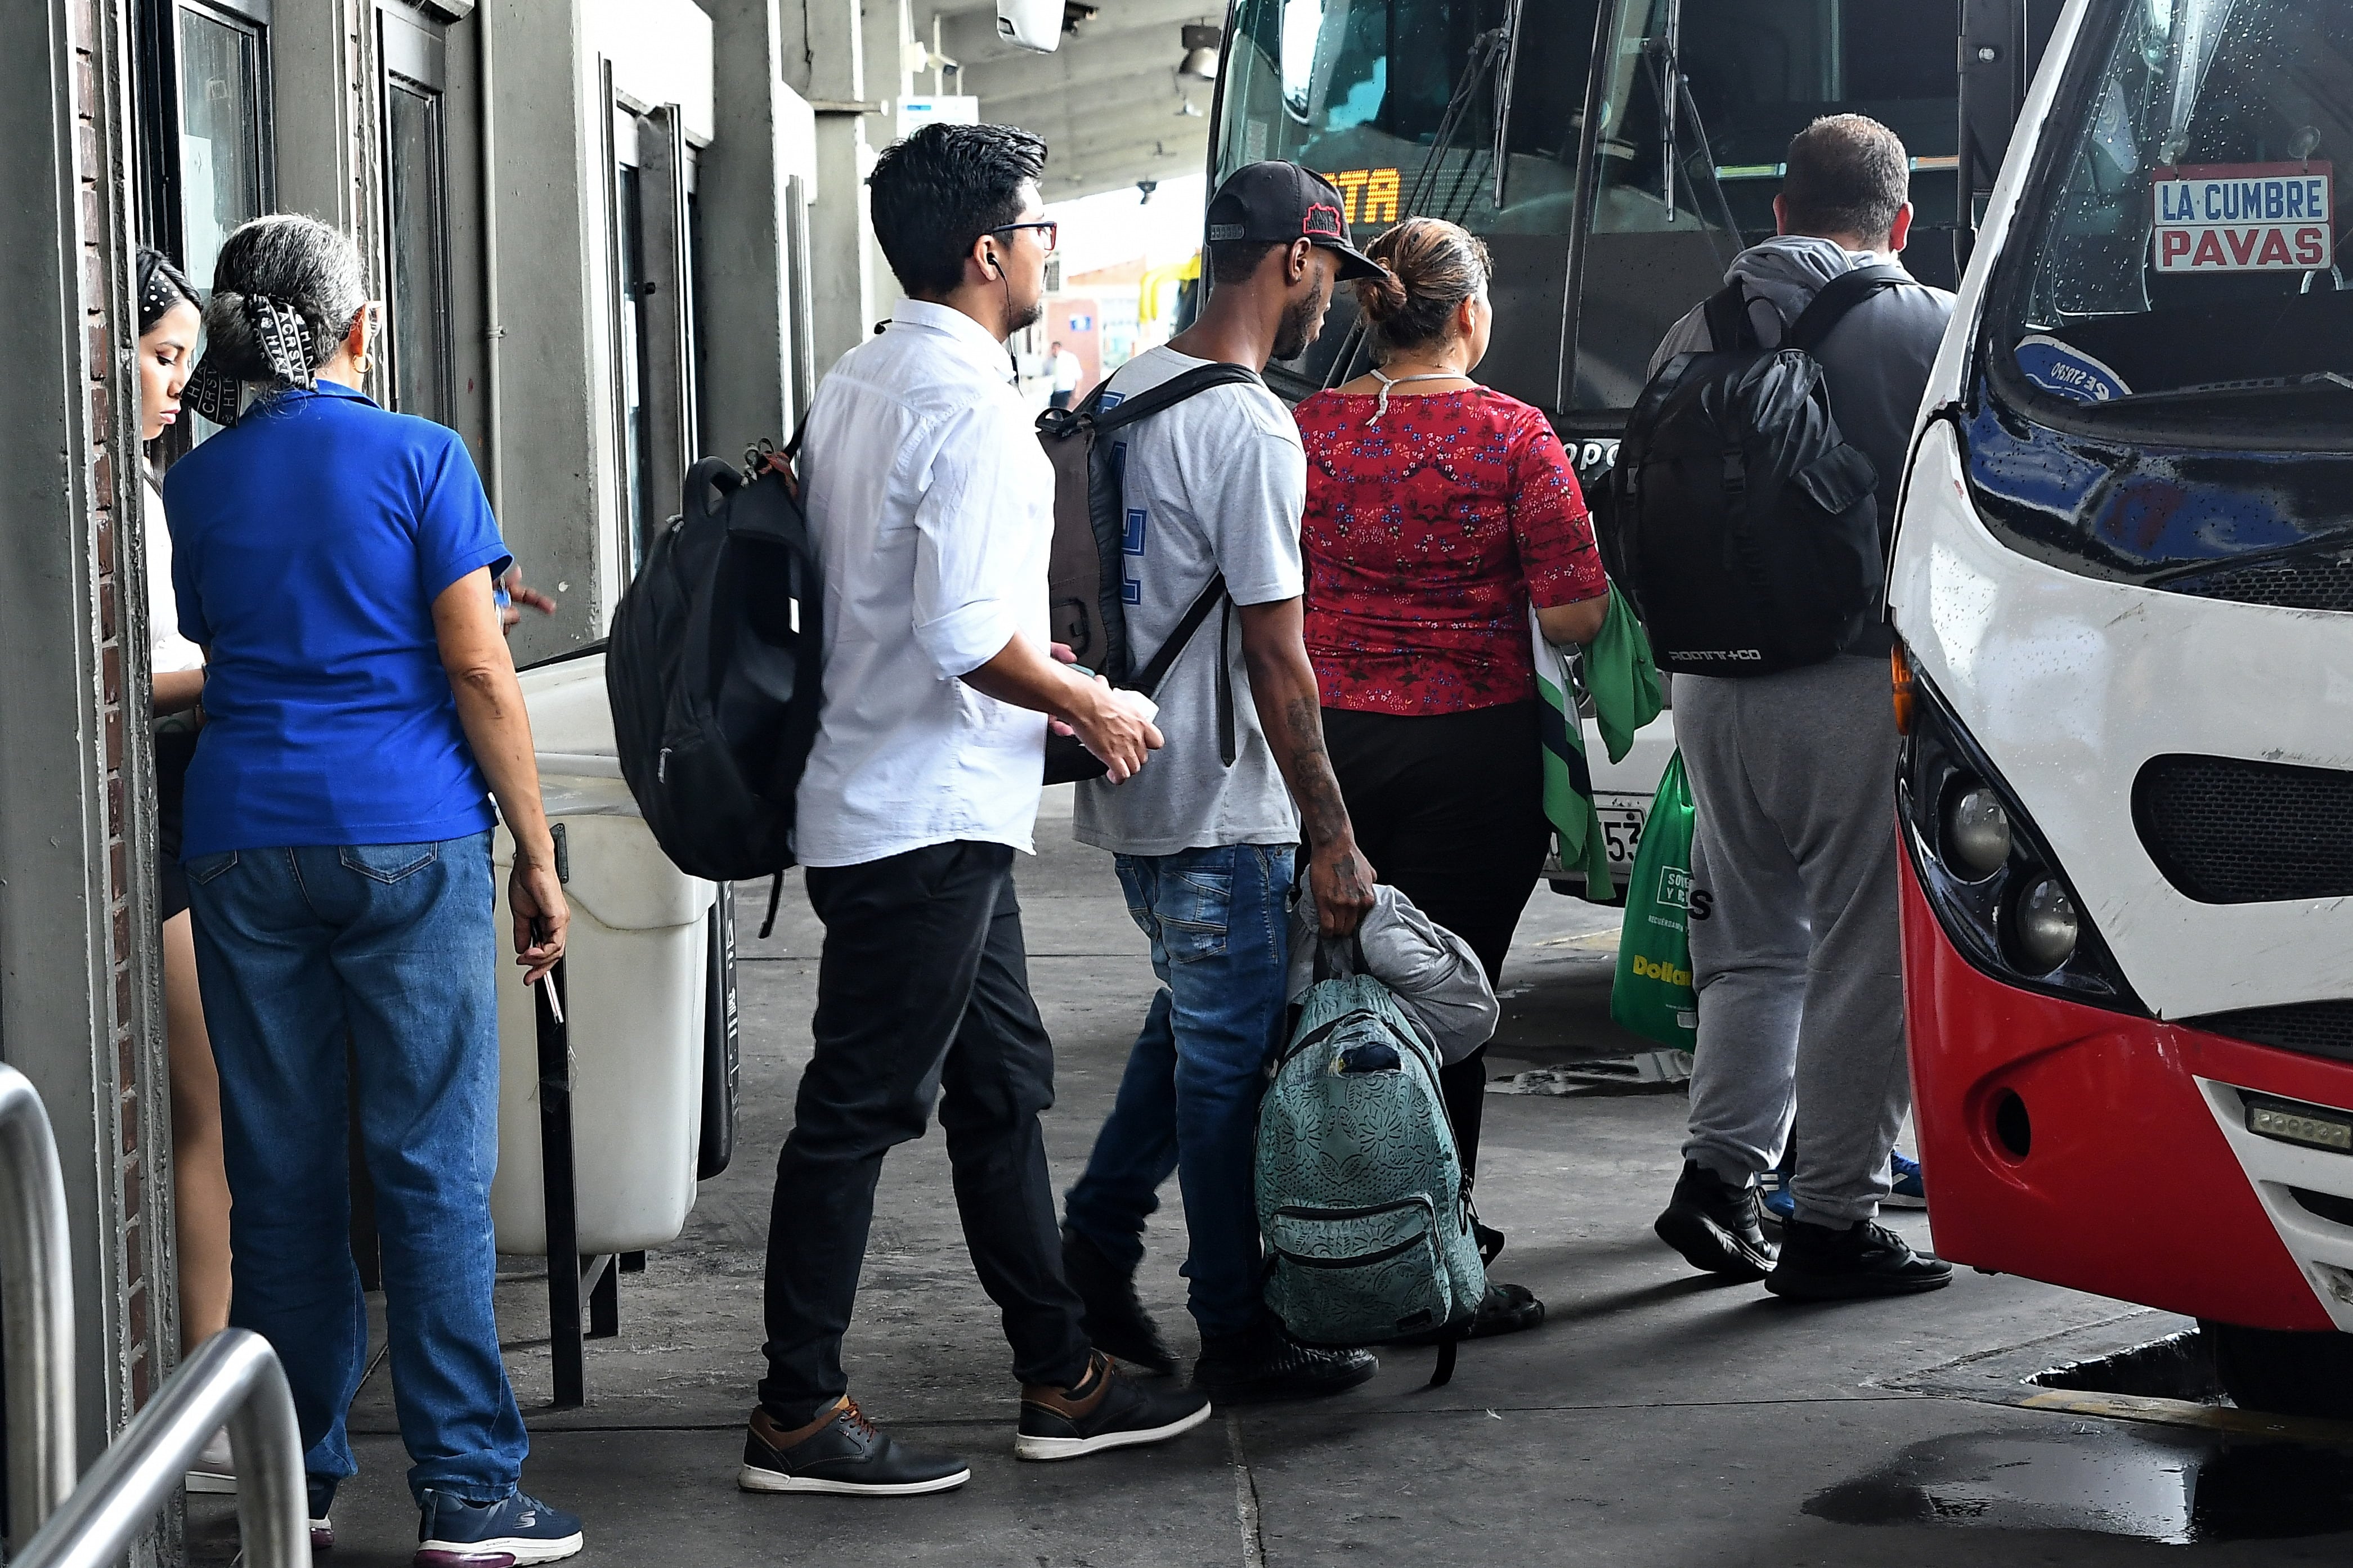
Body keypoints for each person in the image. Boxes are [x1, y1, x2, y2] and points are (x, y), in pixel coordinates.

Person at [742, 122, 1209, 1500]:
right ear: (986, 251)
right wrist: (1095, 702)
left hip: (912, 801)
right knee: (859, 1105)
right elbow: (960, 629)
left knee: (1000, 1087)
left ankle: (1062, 1377)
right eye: (1040, 226)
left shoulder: (861, 379)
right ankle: (796, 1411)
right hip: (919, 813)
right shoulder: (971, 416)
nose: (1050, 249)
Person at [165, 213, 584, 1564]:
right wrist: (534, 847)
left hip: (241, 840)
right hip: (405, 836)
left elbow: (246, 638)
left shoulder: (201, 483)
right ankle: (467, 1490)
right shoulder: (423, 457)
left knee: (280, 1175)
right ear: (360, 328)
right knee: (429, 1170)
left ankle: (301, 1482)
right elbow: (475, 672)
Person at [1057, 161, 1386, 1401]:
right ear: (1294, 259)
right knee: (1224, 1064)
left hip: (1131, 782)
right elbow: (1273, 650)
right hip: (1217, 797)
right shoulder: (1247, 424)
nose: (1325, 307)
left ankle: (1094, 1234)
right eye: (1325, 276)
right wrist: (1332, 834)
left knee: (1197, 1021)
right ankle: (1234, 1323)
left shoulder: (1124, 390)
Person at [1643, 114, 1956, 1300]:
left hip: (1706, 686)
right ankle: (1829, 1217)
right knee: (1861, 959)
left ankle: (1717, 1175)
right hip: (1843, 686)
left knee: (1749, 948)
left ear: (1775, 213)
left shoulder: (1697, 324)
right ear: (1900, 220)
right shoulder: (1924, 325)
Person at [1290, 216, 1611, 1339]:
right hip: (1469, 757)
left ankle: (1310, 1230)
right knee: (1447, 999)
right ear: (1469, 314)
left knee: (1317, 994)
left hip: (1323, 751)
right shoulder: (1513, 436)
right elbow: (1573, 611)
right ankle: (1434, 1248)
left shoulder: (1306, 432)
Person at [133, 249, 250, 1498]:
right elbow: (112, 673)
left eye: (185, 360)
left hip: (179, 797)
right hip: (155, 813)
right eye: (161, 357)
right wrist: (249, 669)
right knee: (206, 1110)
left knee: (212, 1110)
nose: (179, 386)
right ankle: (204, 1397)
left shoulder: (154, 488)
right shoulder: (105, 494)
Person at [1048, 339, 1082, 409]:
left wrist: (1077, 391)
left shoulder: (1069, 358)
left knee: (1061, 410)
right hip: (1055, 391)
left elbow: (1078, 375)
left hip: (1066, 389)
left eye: (1055, 349)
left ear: (1059, 348)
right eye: (1052, 349)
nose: (1053, 351)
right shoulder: (1052, 360)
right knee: (1053, 409)